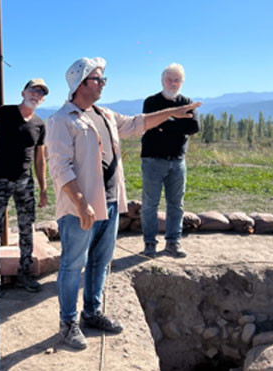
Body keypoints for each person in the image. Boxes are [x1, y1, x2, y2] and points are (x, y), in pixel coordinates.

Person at [45, 57, 201, 350]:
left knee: (100, 262)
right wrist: (80, 203)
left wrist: (174, 113)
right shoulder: (61, 120)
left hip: (110, 202)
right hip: (82, 208)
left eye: (104, 79)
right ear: (80, 84)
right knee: (72, 265)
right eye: (98, 79)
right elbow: (60, 168)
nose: (103, 84)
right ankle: (68, 323)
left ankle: (92, 313)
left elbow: (137, 123)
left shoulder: (103, 114)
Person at [0, 78, 49, 298]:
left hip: (25, 182)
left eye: (40, 93)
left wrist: (43, 188)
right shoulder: (4, 113)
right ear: (23, 92)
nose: (36, 94)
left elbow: (40, 158)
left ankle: (25, 273)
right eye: (33, 90)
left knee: (27, 228)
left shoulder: (39, 124)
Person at [140, 63, 200, 258]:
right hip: (153, 160)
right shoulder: (151, 102)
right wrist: (178, 123)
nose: (173, 83)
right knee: (150, 204)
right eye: (169, 79)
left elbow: (193, 128)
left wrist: (166, 125)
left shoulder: (188, 102)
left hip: (177, 161)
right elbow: (150, 125)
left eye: (177, 80)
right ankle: (150, 243)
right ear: (162, 80)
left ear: (181, 82)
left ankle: (173, 243)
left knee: (176, 204)